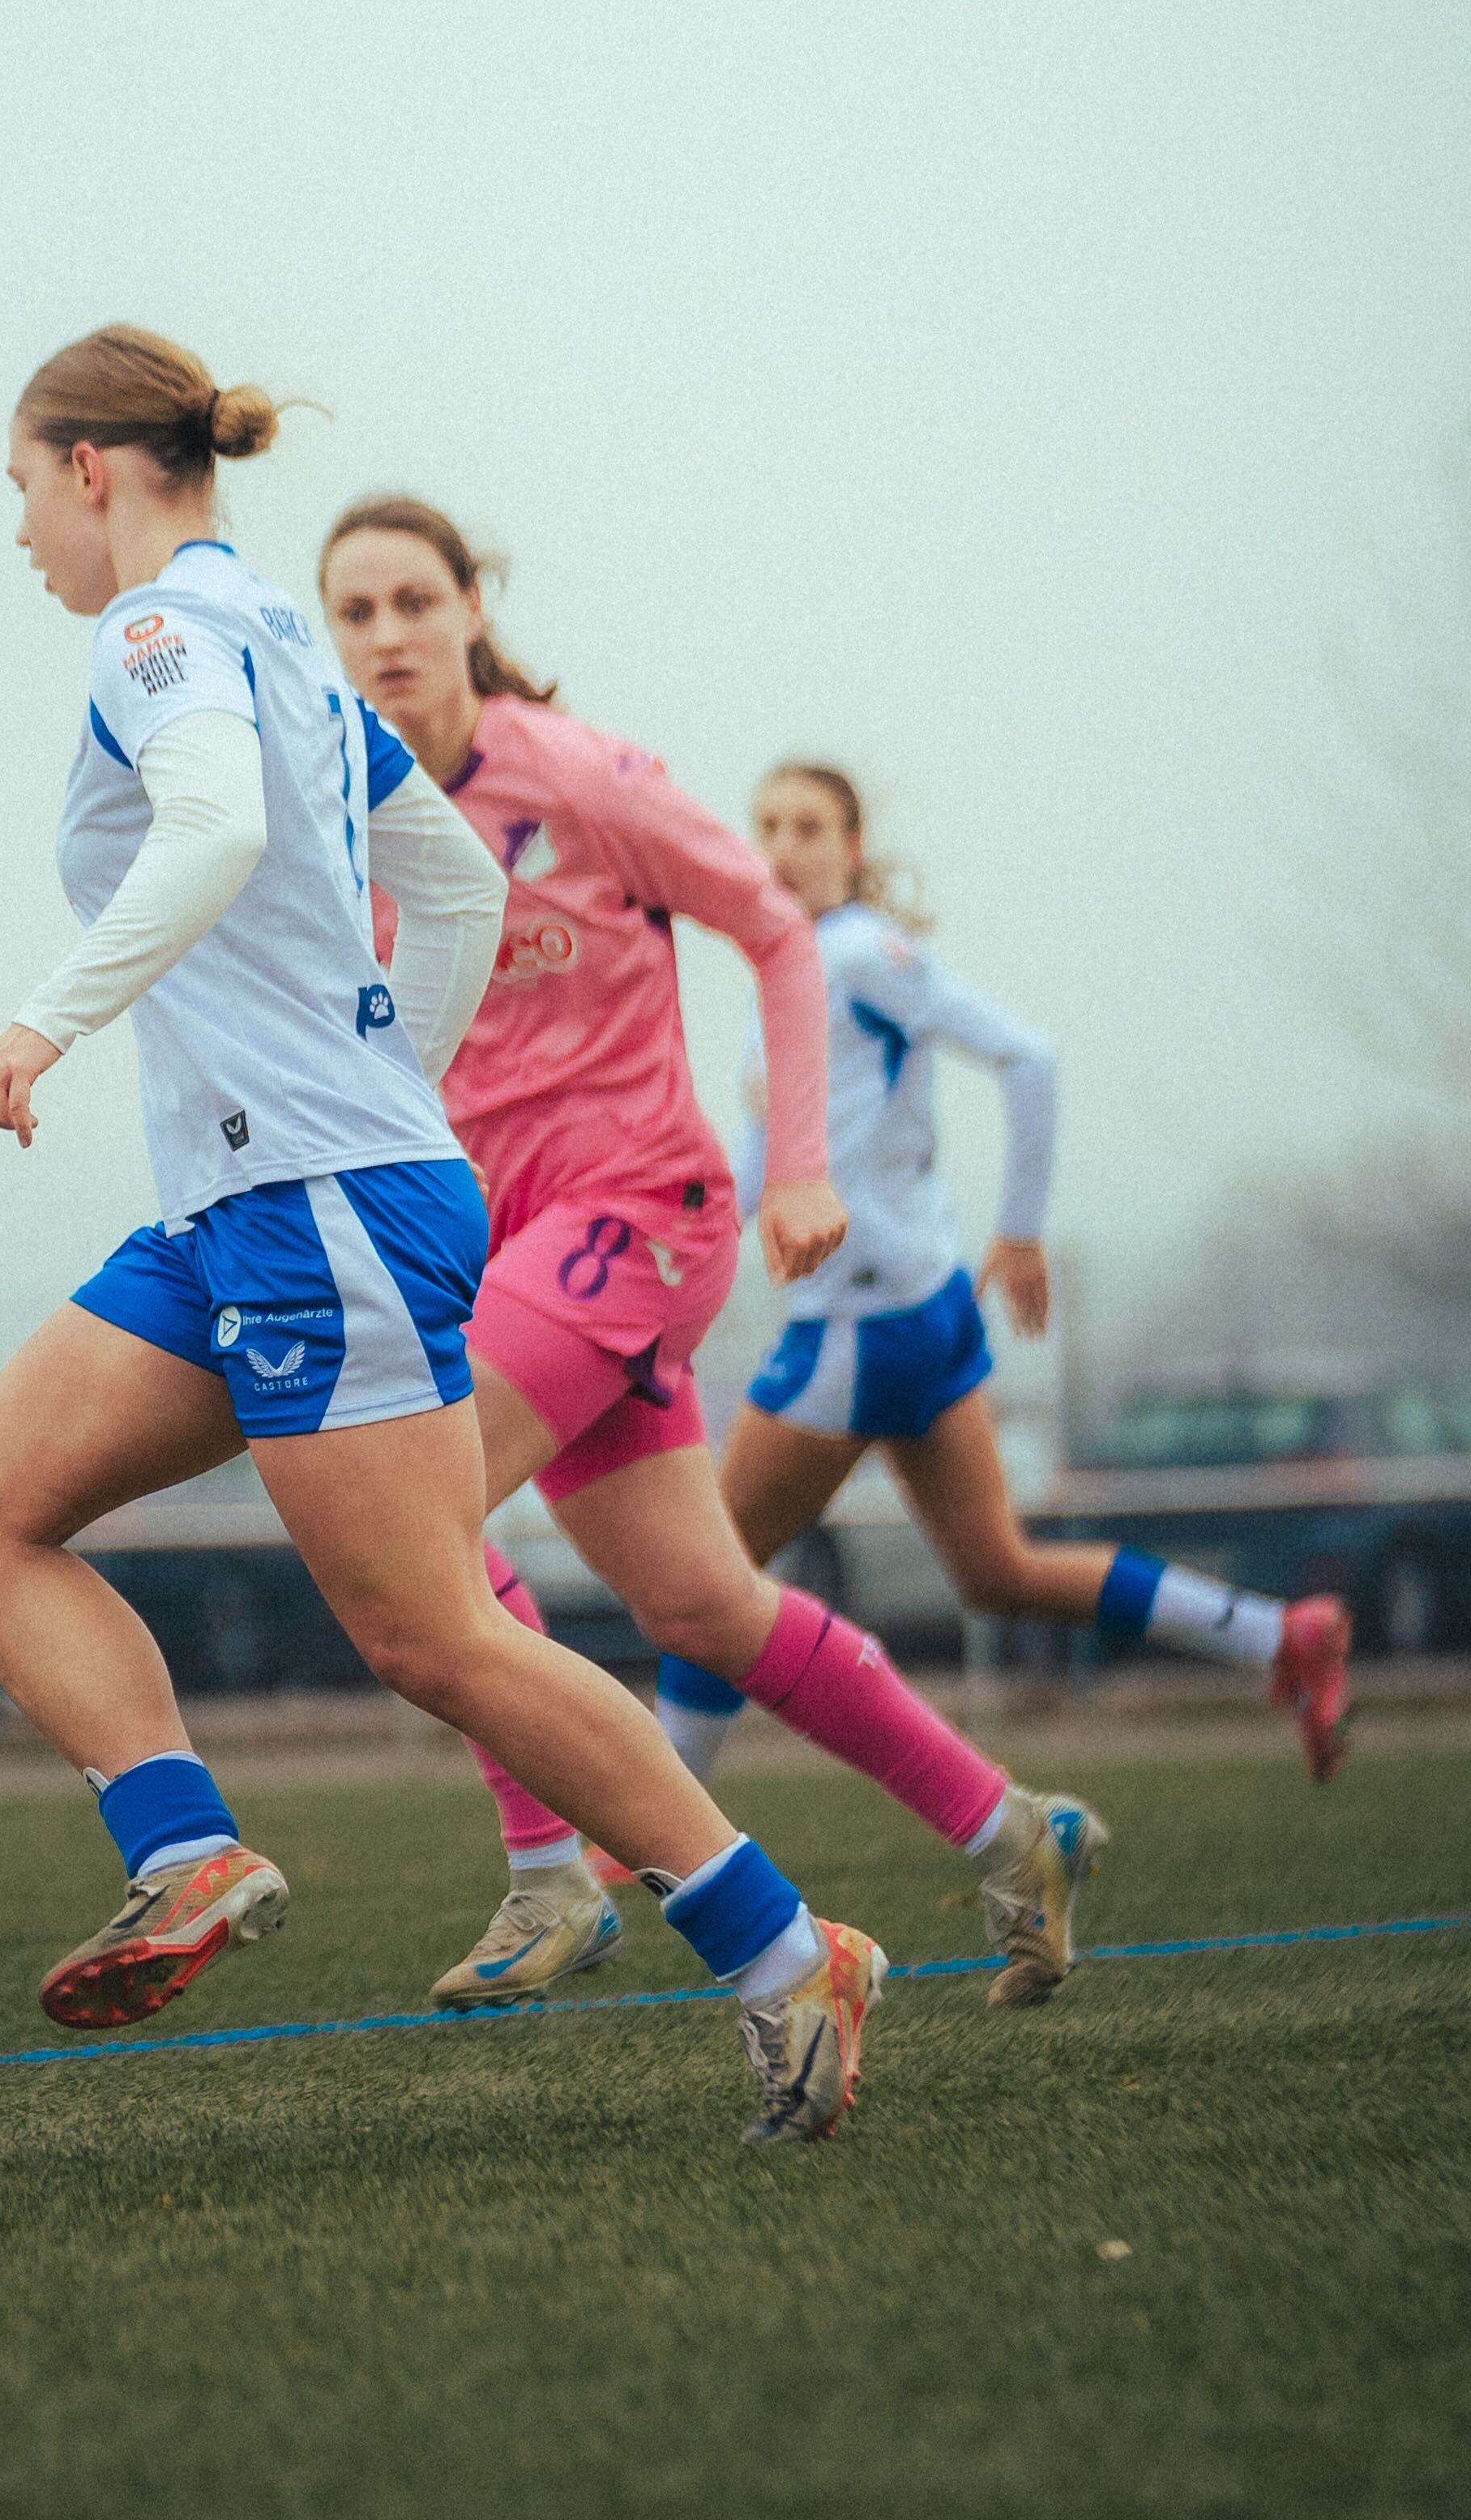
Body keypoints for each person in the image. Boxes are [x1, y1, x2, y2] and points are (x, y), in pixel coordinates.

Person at [0, 327, 886, 2143]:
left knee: (435, 1633)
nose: (23, 533)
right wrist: (399, 1084)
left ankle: (783, 1956)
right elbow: (446, 877)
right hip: (255, 1200)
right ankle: (184, 1851)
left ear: (89, 468)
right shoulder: (275, 632)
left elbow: (204, 831)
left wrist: (38, 1029)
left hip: (310, 1202)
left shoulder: (157, 639)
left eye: (20, 490)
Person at [321, 502, 1105, 2014]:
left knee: (409, 1504)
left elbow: (774, 930)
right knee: (701, 1608)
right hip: (504, 1244)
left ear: (472, 605)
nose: (384, 635)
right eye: (351, 612)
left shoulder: (583, 778)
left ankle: (550, 1866)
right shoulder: (348, 807)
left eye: (413, 598)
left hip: (637, 1210)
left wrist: (796, 1163)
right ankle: (1014, 1829)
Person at [696, 764, 1349, 1785]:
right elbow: (759, 1157)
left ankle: (629, 1846)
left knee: (704, 1573)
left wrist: (1023, 1230)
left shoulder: (861, 954)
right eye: (768, 825)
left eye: (810, 826)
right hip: (919, 1314)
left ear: (854, 848)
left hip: (862, 1326)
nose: (783, 847)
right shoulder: (791, 966)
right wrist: (673, 1263)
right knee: (999, 1572)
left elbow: (1028, 1055)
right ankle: (1281, 1636)